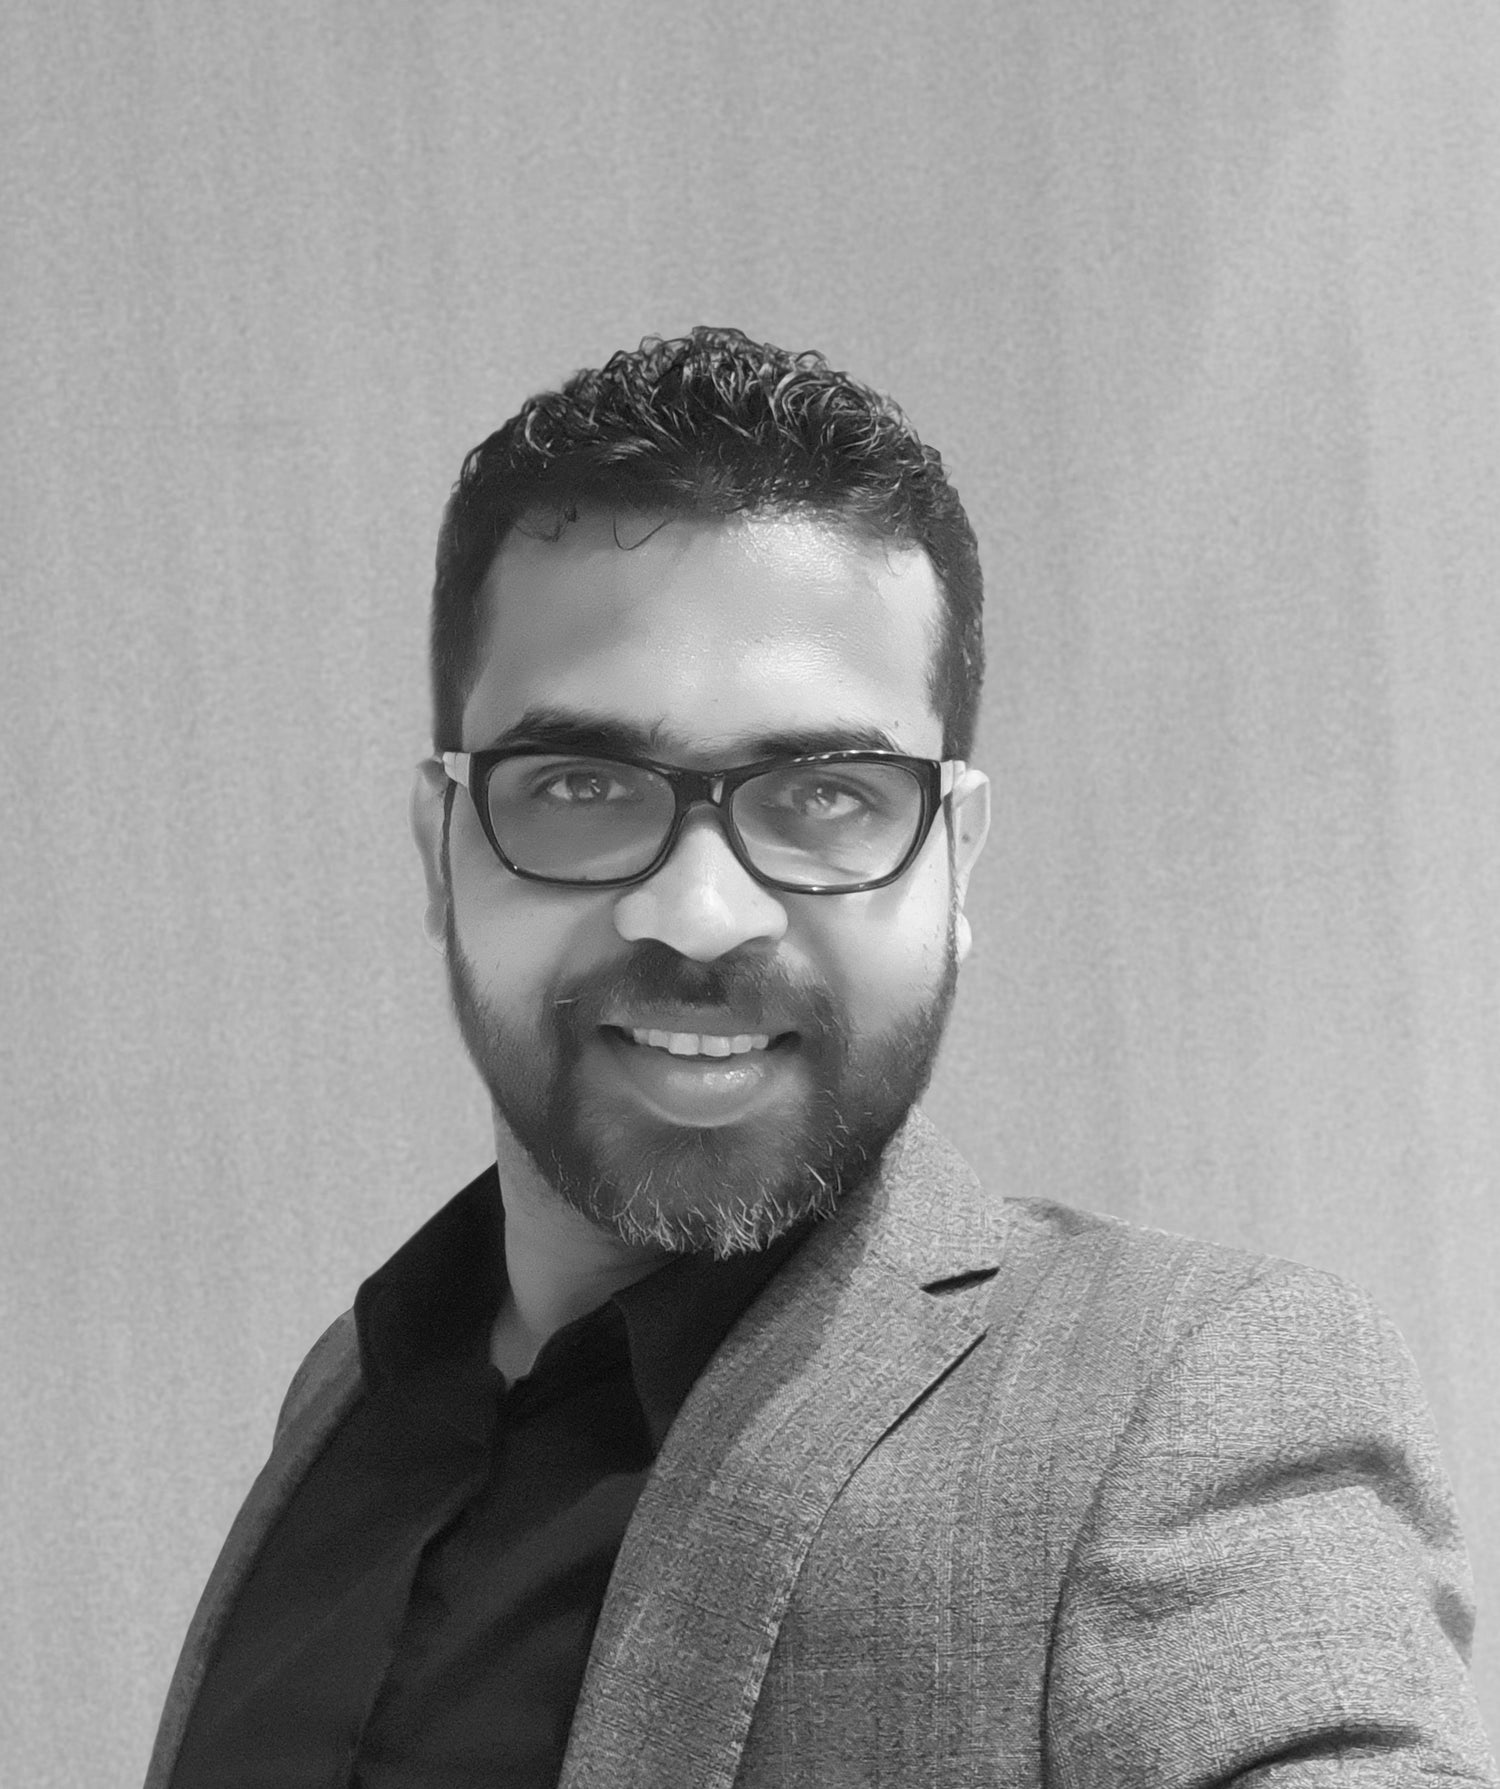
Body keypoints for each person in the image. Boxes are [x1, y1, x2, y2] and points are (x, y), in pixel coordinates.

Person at [145, 327, 1496, 1788]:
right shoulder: (352, 1392)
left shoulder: (1181, 1405)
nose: (699, 912)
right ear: (442, 848)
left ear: (956, 860)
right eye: (583, 786)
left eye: (829, 793)